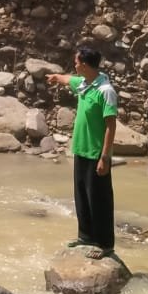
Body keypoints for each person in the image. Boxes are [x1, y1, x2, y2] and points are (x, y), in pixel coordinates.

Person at [47, 45, 118, 254]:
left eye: (76, 62)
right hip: (81, 150)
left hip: (97, 154)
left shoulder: (105, 91)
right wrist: (55, 77)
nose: (74, 66)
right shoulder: (85, 84)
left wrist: (105, 157)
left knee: (100, 200)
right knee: (82, 196)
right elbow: (67, 79)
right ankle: (86, 236)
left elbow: (111, 127)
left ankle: (105, 245)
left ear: (85, 65)